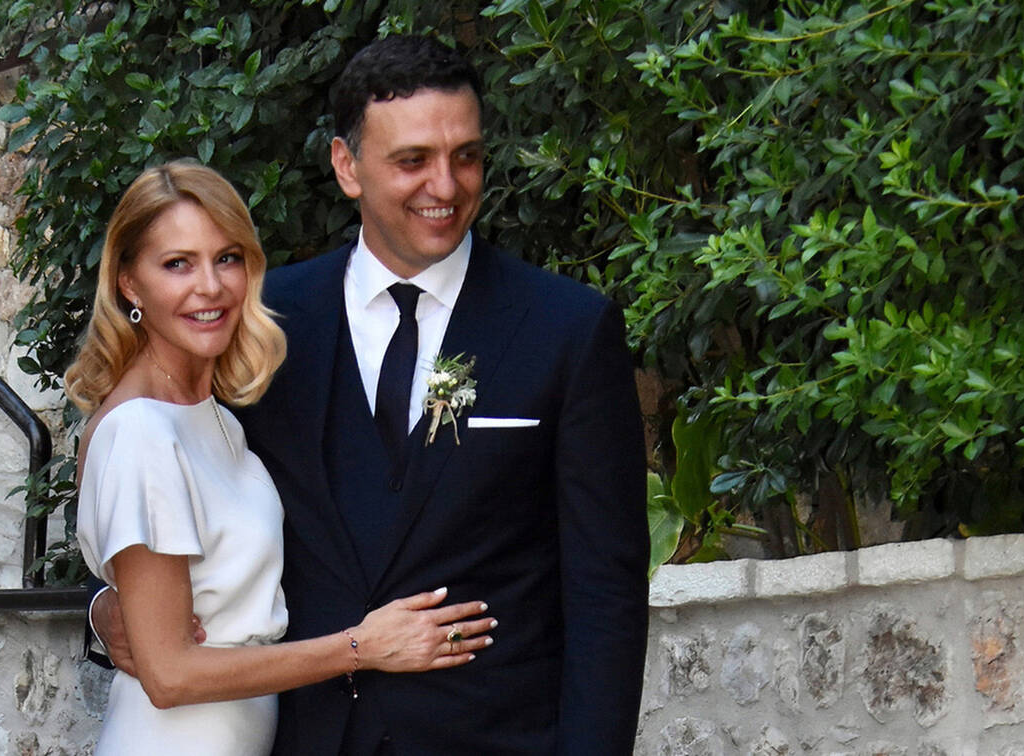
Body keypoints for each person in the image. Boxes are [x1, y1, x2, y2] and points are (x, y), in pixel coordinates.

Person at [93, 36, 649, 753]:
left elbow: (606, 592)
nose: (445, 186)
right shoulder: (260, 322)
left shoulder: (566, 329)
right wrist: (105, 607)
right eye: (413, 160)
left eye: (466, 156)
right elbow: (157, 484)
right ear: (346, 166)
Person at [69, 160, 495, 755]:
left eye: (227, 258)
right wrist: (361, 647)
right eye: (177, 264)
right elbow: (169, 676)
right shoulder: (141, 429)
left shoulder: (216, 415)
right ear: (129, 284)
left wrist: (106, 606)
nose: (210, 286)